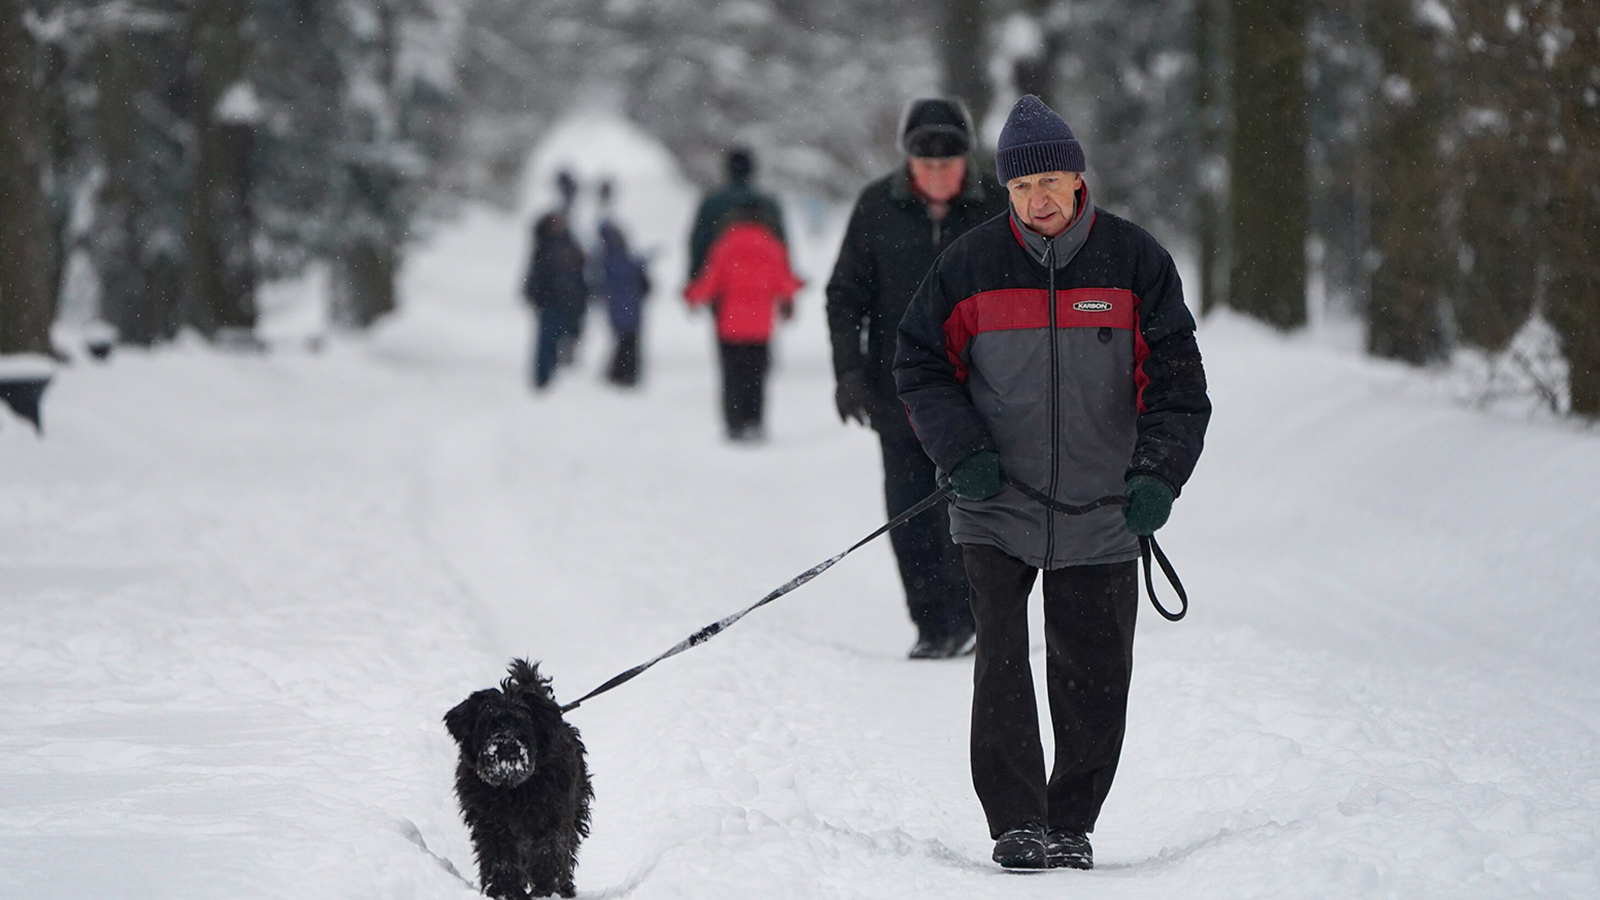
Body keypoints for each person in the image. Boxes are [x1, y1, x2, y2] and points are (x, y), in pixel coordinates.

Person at [893, 94, 1211, 870]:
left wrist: (1158, 476)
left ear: (1078, 181)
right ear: (1004, 192)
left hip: (1104, 509)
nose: (1036, 200)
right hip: (994, 504)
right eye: (1019, 188)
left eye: (1050, 182)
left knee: (1095, 674)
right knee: (1000, 663)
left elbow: (1179, 387)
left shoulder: (1136, 263)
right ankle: (1016, 822)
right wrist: (960, 449)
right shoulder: (968, 266)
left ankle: (1071, 821)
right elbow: (920, 365)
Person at [825, 97, 1009, 660]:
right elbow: (844, 296)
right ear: (908, 161)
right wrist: (848, 373)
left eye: (948, 165)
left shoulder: (998, 209)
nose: (936, 176)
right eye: (925, 166)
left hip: (980, 392)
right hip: (896, 391)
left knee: (973, 503)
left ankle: (978, 618)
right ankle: (932, 624)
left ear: (967, 161)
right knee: (909, 508)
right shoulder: (876, 206)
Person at [684, 203, 803, 442]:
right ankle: (754, 421)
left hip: (730, 324)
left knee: (732, 375)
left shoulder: (725, 245)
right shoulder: (772, 246)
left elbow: (711, 281)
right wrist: (791, 297)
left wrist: (691, 296)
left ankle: (734, 423)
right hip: (760, 326)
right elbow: (783, 281)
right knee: (756, 376)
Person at [688, 147, 786, 281]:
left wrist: (694, 278)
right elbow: (781, 244)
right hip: (762, 280)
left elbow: (700, 242)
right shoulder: (768, 203)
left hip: (722, 280)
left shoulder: (712, 202)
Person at [522, 210, 588, 390]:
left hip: (570, 302)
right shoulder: (544, 247)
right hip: (550, 302)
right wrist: (536, 295)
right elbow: (536, 274)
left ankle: (557, 370)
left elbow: (581, 272)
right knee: (547, 340)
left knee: (569, 336)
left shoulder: (570, 245)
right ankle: (543, 378)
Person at [595, 217, 651, 387]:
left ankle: (621, 374)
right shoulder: (617, 257)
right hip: (627, 305)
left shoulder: (605, 257)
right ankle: (624, 374)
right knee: (628, 341)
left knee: (624, 341)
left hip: (621, 305)